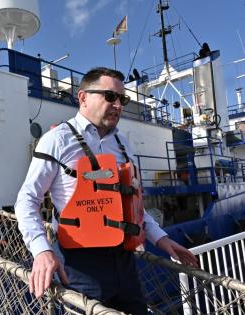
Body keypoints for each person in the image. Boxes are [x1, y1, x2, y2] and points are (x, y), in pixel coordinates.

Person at [15, 67, 198, 314]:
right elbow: (27, 200)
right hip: (80, 267)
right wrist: (41, 250)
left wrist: (162, 239)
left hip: (125, 262)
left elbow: (134, 206)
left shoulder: (123, 145)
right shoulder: (57, 140)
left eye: (122, 99)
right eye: (110, 96)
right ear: (83, 98)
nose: (118, 105)